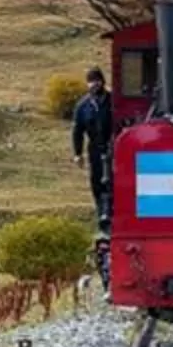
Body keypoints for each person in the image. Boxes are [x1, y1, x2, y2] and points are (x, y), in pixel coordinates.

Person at [70, 66, 114, 227]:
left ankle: (113, 213)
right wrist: (78, 153)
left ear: (102, 82)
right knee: (96, 182)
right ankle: (101, 215)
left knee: (113, 182)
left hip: (114, 148)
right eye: (90, 82)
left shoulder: (112, 101)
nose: (94, 85)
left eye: (96, 81)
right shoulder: (83, 106)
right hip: (94, 148)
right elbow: (77, 131)